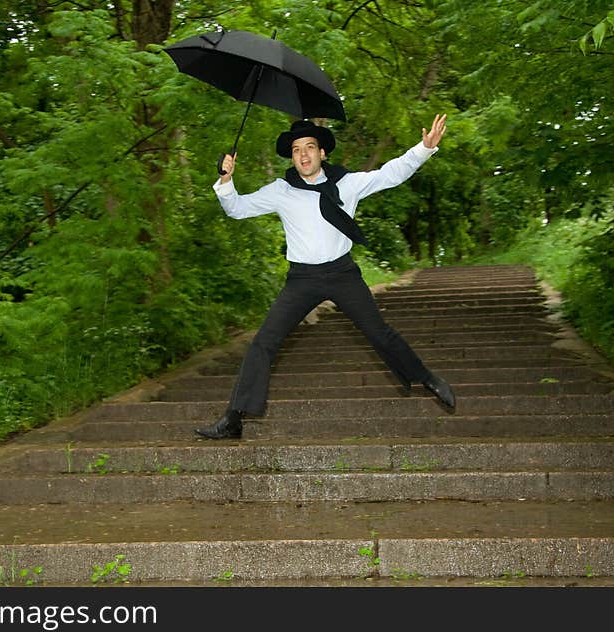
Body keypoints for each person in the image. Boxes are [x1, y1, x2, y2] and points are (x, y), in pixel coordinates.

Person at [195, 114, 455, 439]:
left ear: (322, 153)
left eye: (309, 148)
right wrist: (226, 180)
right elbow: (237, 209)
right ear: (291, 157)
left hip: (342, 273)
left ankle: (428, 378)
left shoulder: (347, 184)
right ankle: (233, 418)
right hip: (301, 280)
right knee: (263, 342)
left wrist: (424, 149)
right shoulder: (282, 190)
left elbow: (390, 174)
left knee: (379, 332)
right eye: (295, 150)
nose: (303, 155)